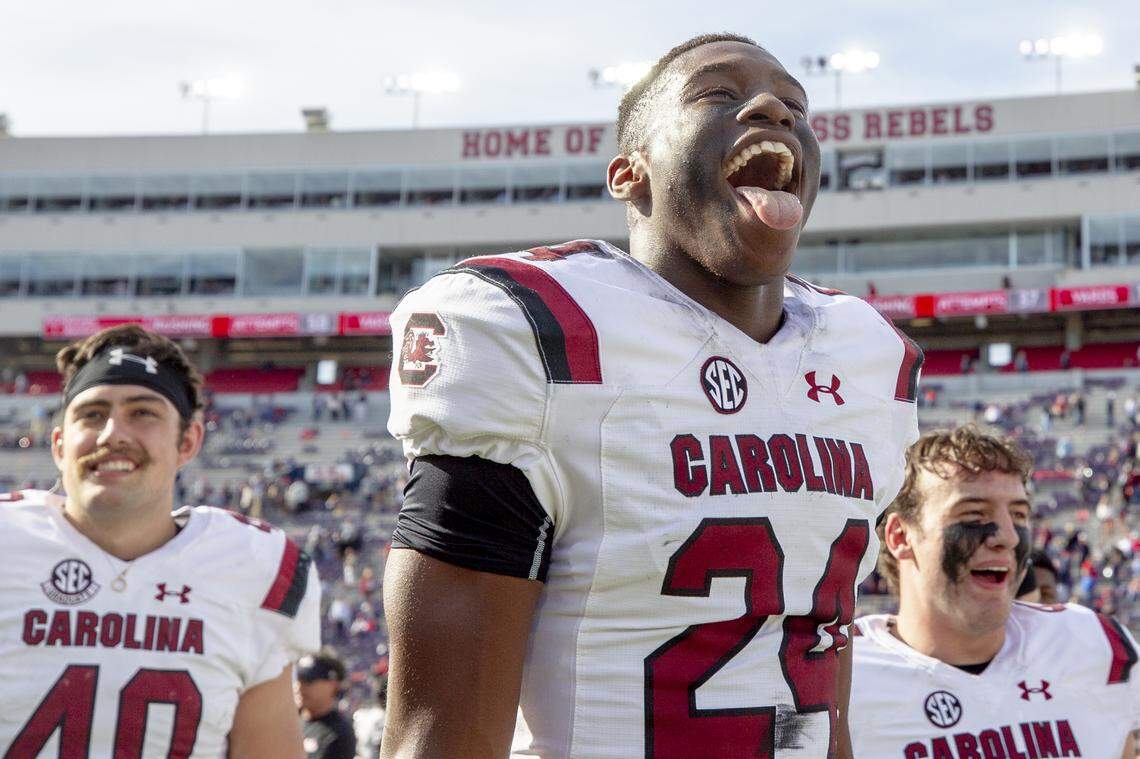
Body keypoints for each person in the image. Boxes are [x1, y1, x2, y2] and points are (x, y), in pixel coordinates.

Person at [382, 32, 923, 759]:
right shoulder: (537, 329)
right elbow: (440, 732)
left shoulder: (866, 357)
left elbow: (820, 678)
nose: (773, 108)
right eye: (717, 95)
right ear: (629, 175)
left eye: (795, 103)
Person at [0, 324, 320, 757]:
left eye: (142, 412)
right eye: (91, 414)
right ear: (59, 445)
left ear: (188, 440)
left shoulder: (252, 566)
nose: (113, 433)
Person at [849, 426, 1139, 757]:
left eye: (1018, 514)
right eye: (974, 514)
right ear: (901, 537)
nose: (1008, 537)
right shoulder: (844, 680)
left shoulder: (1093, 645)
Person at [295, 653, 357, 759]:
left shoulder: (339, 733)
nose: (299, 686)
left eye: (308, 681)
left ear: (333, 685)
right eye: (298, 679)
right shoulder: (287, 720)